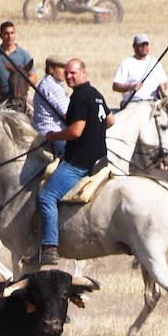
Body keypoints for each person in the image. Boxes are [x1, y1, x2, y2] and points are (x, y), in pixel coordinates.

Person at [34, 58, 113, 266]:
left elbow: (76, 131)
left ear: (84, 73)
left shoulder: (79, 97)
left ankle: (49, 248)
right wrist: (94, 131)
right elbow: (111, 121)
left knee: (46, 197)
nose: (69, 76)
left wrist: (54, 136)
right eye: (67, 73)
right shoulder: (96, 94)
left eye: (73, 73)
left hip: (79, 162)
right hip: (100, 158)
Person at [0, 20, 33, 105]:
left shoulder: (23, 54)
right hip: (0, 99)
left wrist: (22, 85)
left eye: (12, 33)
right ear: (1, 35)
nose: (10, 36)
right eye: (6, 33)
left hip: (20, 100)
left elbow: (34, 77)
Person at [113, 33, 168, 103]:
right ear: (134, 46)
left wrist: (162, 88)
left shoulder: (155, 62)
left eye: (146, 44)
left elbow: (164, 83)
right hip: (134, 102)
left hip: (155, 102)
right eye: (141, 45)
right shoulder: (127, 63)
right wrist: (131, 87)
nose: (144, 47)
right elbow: (115, 86)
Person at [33, 56, 69, 157]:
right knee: (77, 157)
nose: (65, 71)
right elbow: (68, 115)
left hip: (49, 132)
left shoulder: (49, 83)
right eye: (61, 68)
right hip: (53, 134)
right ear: (51, 69)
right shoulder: (52, 87)